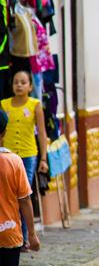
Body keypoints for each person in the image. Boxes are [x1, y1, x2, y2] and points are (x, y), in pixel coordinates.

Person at [0, 109, 41, 266]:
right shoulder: (14, 161)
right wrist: (32, 235)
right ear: (4, 133)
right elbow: (25, 200)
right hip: (9, 233)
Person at [1, 69, 48, 240]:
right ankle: (12, 232)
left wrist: (44, 158)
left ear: (30, 86)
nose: (19, 85)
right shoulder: (4, 105)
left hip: (28, 155)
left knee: (23, 195)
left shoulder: (35, 105)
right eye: (16, 82)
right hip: (7, 156)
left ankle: (25, 237)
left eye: (23, 82)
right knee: (9, 196)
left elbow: (42, 133)